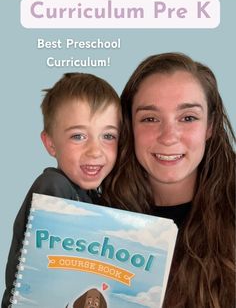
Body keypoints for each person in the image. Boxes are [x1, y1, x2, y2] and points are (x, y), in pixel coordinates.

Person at [103, 53, 235, 308]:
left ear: (210, 125)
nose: (168, 136)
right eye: (150, 119)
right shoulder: (93, 221)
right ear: (130, 126)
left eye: (188, 118)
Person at [2, 72, 121, 308]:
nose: (95, 151)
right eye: (78, 136)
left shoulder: (93, 196)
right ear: (50, 144)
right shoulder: (53, 187)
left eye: (108, 136)